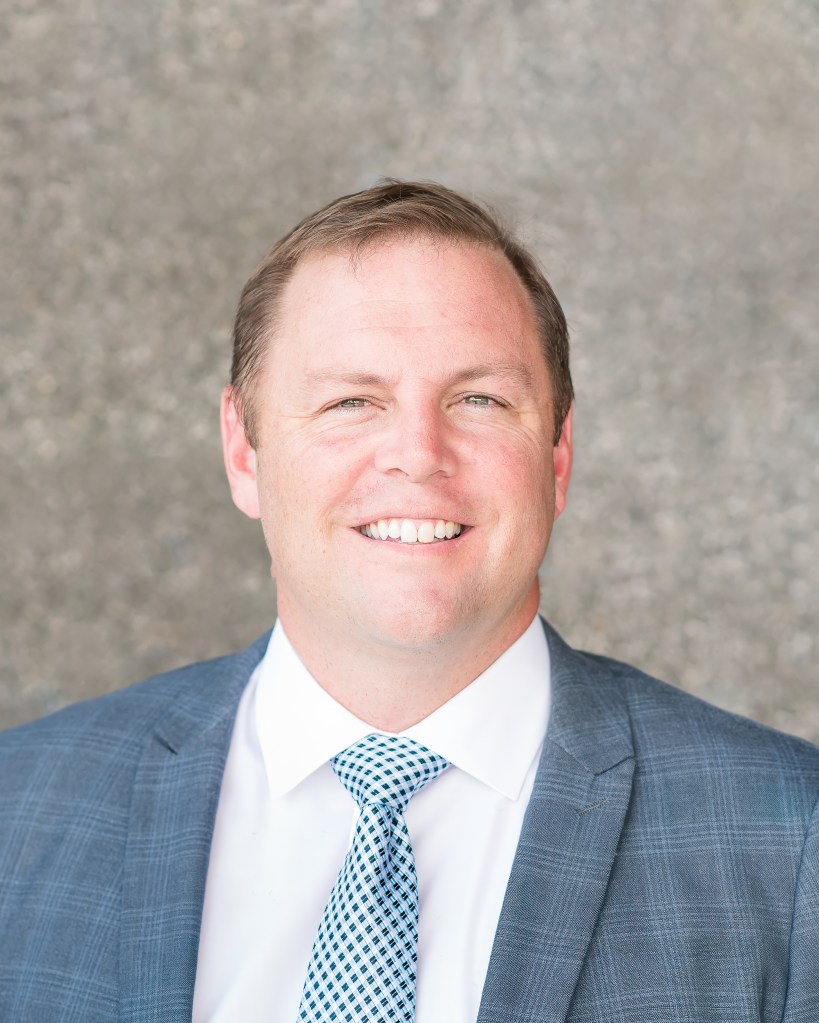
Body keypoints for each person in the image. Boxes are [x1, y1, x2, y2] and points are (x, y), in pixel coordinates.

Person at [1, 181, 817, 1023]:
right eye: (351, 401)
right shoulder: (18, 808)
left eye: (480, 400)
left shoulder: (791, 843)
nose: (418, 456)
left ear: (557, 454)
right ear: (244, 451)